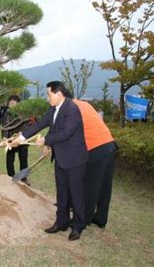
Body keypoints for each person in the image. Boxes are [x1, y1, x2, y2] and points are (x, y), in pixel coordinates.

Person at [11, 81, 88, 241]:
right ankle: (61, 222)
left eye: (49, 94)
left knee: (76, 194)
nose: (47, 97)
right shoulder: (53, 109)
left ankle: (78, 226)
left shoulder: (72, 109)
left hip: (74, 159)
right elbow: (40, 124)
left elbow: (65, 133)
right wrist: (21, 137)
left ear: (59, 94)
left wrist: (46, 140)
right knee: (62, 192)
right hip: (60, 157)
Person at [72, 98, 117, 229]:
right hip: (110, 144)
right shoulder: (84, 104)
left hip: (96, 147)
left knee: (91, 185)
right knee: (104, 185)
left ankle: (82, 220)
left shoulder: (68, 108)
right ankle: (101, 218)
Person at [1, 95, 29, 182]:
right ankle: (10, 176)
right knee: (10, 159)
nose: (11, 105)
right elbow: (5, 126)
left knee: (23, 159)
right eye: (10, 103)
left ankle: (23, 178)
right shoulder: (7, 113)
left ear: (18, 104)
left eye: (13, 103)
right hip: (11, 138)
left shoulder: (24, 113)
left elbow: (26, 125)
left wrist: (22, 135)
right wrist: (5, 137)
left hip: (22, 139)